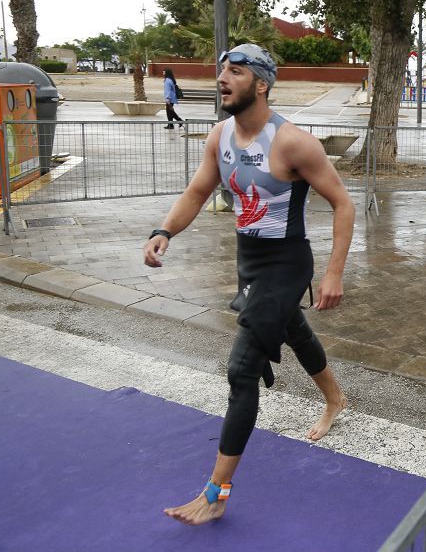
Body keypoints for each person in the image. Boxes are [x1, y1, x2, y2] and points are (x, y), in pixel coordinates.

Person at [143, 44, 355, 525]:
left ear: (261, 84)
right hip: (250, 262)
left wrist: (334, 272)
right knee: (292, 327)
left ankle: (216, 492)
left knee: (242, 371)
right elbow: (199, 190)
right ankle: (336, 398)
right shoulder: (220, 135)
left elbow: (343, 203)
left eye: (235, 72)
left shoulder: (293, 143)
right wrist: (163, 231)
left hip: (286, 263)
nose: (222, 78)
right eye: (222, 71)